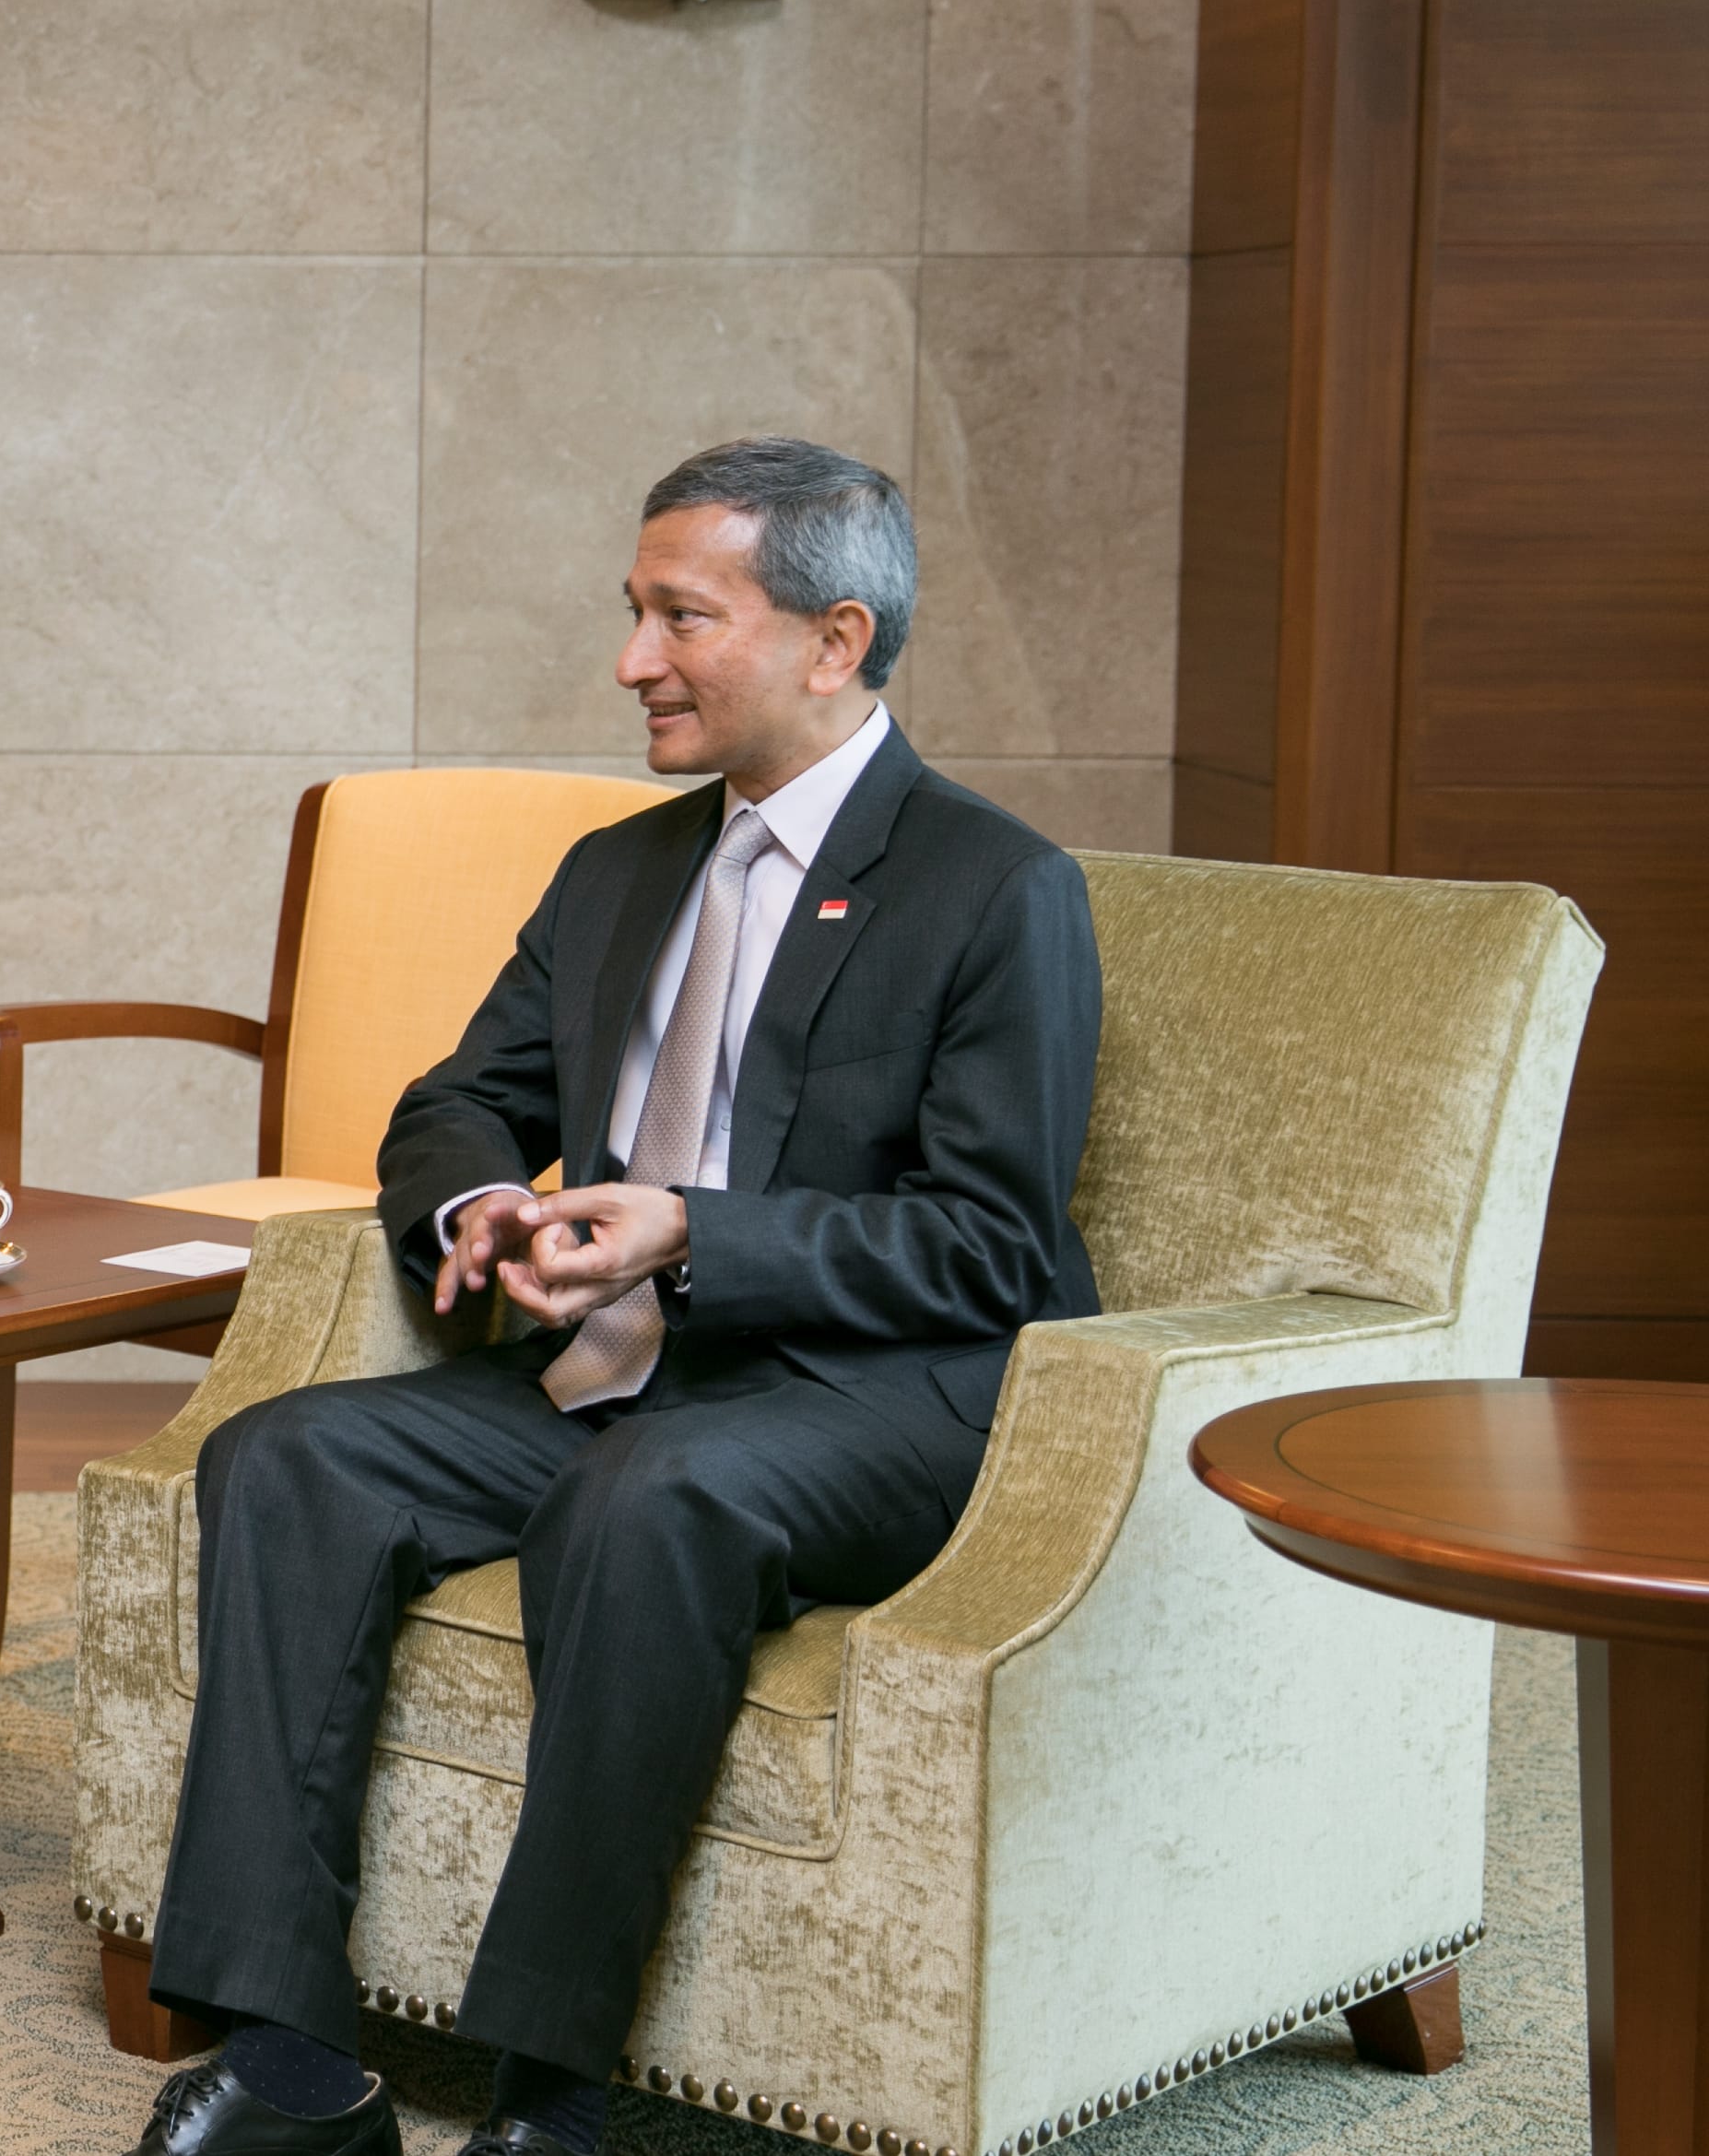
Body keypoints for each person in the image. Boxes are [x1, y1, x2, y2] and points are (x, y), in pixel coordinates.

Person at [122, 442, 1102, 2156]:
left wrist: (686, 1233)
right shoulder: (619, 869)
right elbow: (454, 1100)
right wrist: (491, 1197)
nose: (632, 659)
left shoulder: (997, 887)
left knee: (645, 1500)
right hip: (617, 1372)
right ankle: (294, 2062)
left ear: (833, 637)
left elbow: (992, 1242)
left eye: (680, 615)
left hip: (871, 1402)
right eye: (633, 611)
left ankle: (553, 2097)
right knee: (288, 1457)